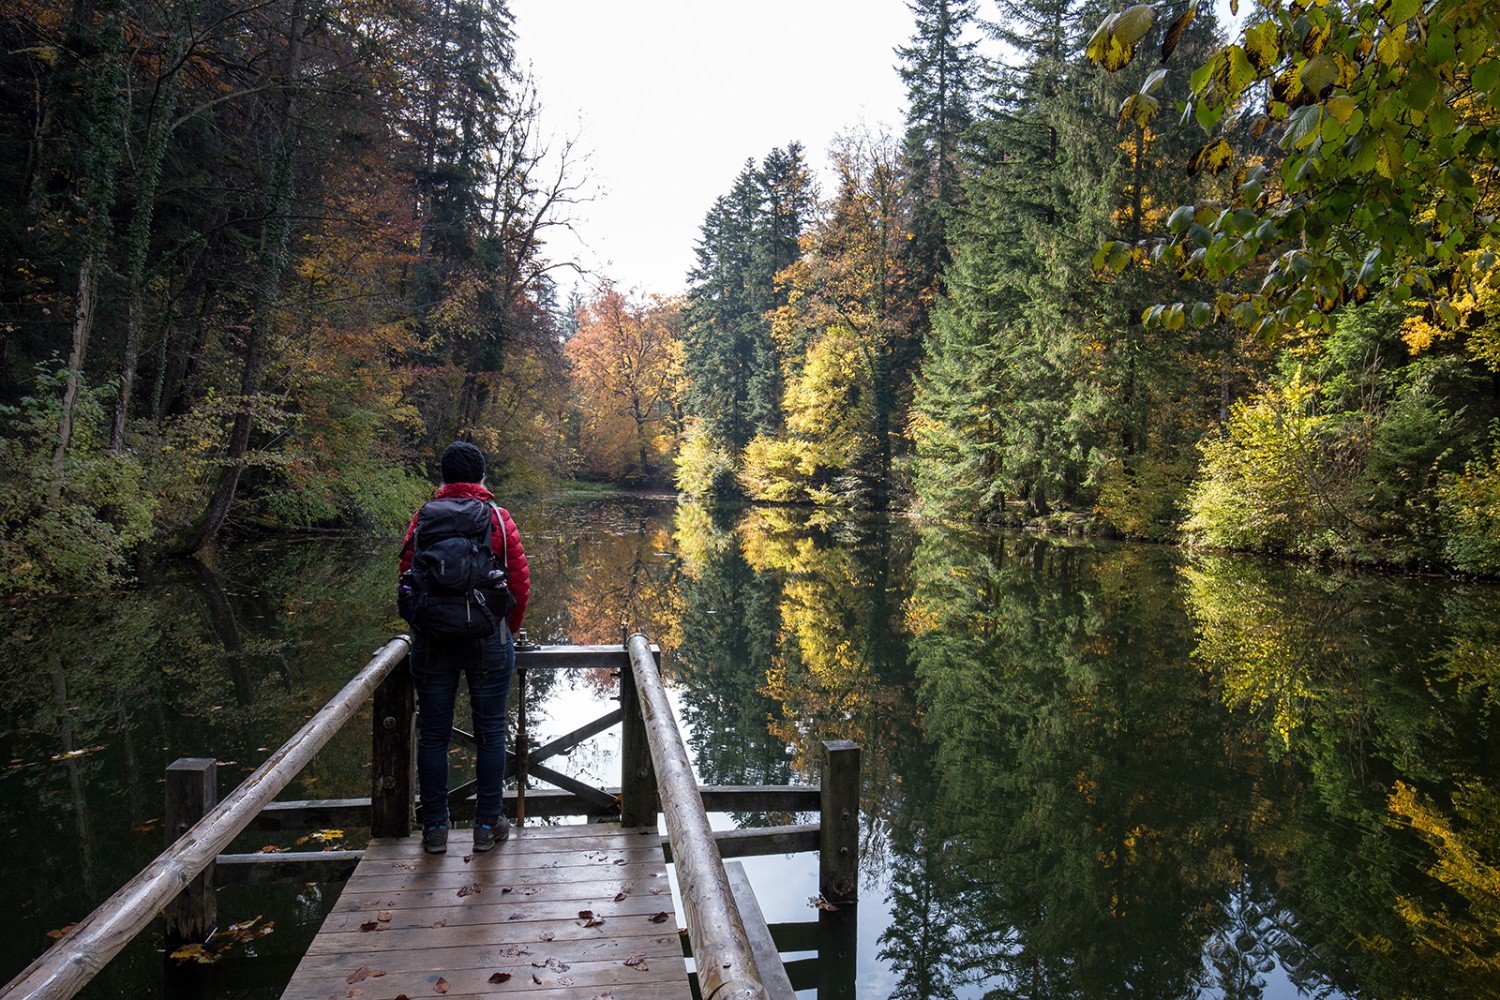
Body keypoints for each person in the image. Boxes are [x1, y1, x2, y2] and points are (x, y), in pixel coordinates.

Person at [398, 441, 529, 854]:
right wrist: (505, 628)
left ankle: (435, 828)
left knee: (433, 733)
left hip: (433, 639)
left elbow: (406, 577)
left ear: (443, 478)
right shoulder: (497, 518)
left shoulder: (423, 518)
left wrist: (422, 625)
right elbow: (519, 583)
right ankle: (487, 824)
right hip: (488, 638)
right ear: (481, 478)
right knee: (491, 731)